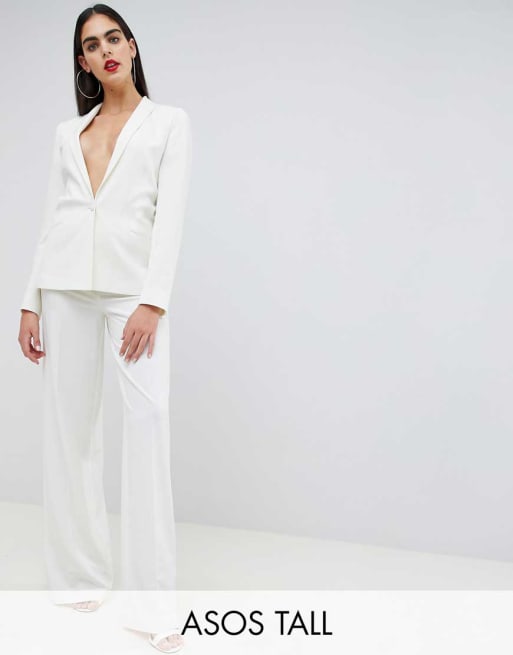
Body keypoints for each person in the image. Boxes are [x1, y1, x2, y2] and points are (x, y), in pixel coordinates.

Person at [17, 5, 192, 654]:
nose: (106, 50)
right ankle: (78, 575)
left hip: (130, 291)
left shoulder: (169, 123)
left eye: (113, 38)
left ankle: (154, 605)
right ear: (83, 63)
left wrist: (153, 302)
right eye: (92, 45)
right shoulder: (69, 132)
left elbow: (170, 216)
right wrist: (30, 300)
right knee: (70, 432)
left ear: (132, 46)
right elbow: (53, 217)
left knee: (147, 427)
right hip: (63, 287)